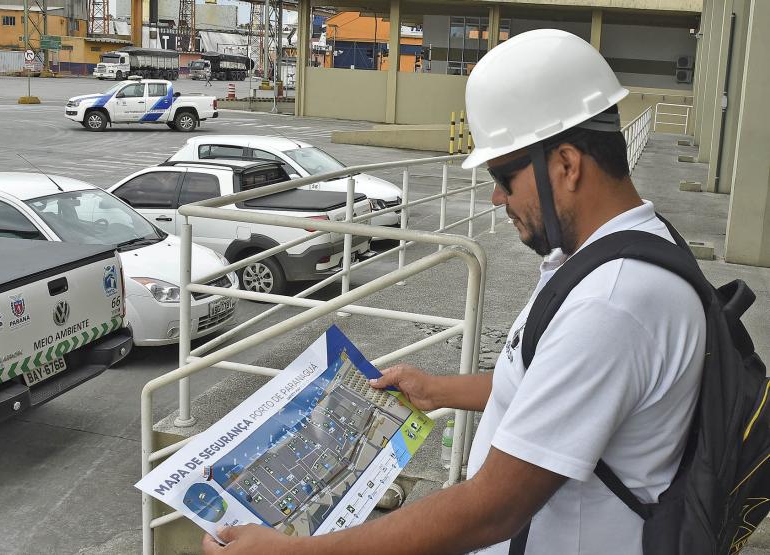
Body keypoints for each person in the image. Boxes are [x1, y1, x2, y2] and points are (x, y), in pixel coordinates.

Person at [201, 29, 705, 555]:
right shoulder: (629, 245)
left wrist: (291, 552)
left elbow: (492, 511)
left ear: (566, 165)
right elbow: (555, 387)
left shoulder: (612, 302)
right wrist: (438, 390)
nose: (495, 196)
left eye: (503, 177)